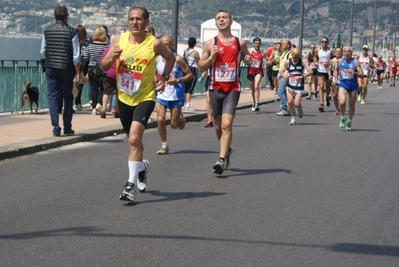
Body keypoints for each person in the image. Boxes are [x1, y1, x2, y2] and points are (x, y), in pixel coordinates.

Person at [101, 6, 175, 201]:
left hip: (145, 97)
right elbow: (103, 66)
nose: (135, 22)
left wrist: (164, 77)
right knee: (133, 141)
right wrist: (111, 57)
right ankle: (142, 167)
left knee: (134, 139)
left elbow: (171, 58)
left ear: (146, 22)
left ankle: (130, 186)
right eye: (131, 19)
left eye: (139, 19)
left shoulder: (155, 43)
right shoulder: (119, 40)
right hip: (124, 98)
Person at [198, 9, 252, 175]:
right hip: (215, 88)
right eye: (218, 18)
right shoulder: (209, 43)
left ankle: (221, 160)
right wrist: (212, 57)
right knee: (218, 126)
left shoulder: (239, 43)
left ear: (230, 21)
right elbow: (201, 66)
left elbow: (247, 57)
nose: (221, 20)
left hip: (232, 89)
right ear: (216, 23)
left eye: (224, 18)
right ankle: (227, 149)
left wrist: (248, 59)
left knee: (227, 124)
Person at [40, 6, 80, 137]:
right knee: (68, 97)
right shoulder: (72, 32)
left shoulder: (47, 30)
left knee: (52, 97)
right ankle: (67, 127)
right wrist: (78, 73)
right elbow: (76, 56)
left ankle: (55, 128)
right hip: (66, 68)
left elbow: (43, 51)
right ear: (67, 16)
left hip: (51, 67)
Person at [155, 35, 193, 155]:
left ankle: (180, 118)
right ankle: (164, 145)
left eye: (167, 44)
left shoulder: (178, 59)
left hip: (175, 94)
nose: (165, 47)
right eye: (163, 44)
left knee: (174, 125)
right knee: (160, 119)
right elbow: (152, 71)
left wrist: (176, 80)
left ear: (172, 45)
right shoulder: (157, 58)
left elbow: (190, 75)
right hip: (161, 93)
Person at [279, 47, 313, 125]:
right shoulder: (288, 62)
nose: (295, 59)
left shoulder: (302, 62)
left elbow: (310, 71)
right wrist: (284, 76)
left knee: (297, 103)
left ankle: (299, 108)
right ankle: (292, 118)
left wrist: (302, 76)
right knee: (290, 102)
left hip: (299, 85)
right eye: (294, 57)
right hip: (290, 84)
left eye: (297, 57)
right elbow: (281, 71)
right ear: (291, 55)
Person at [334, 46, 364, 131]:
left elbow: (362, 75)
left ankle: (350, 121)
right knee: (342, 101)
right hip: (343, 83)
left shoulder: (355, 62)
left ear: (351, 53)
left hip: (353, 85)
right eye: (345, 51)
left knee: (351, 105)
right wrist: (336, 78)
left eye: (348, 52)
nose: (346, 53)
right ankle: (343, 117)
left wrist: (355, 73)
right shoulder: (339, 61)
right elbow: (336, 70)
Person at [83, 26, 109, 115]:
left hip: (91, 69)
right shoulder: (107, 46)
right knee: (103, 88)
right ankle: (99, 103)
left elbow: (85, 57)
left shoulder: (90, 46)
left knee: (93, 89)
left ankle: (94, 107)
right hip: (103, 69)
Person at [99, 45, 118, 119]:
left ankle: (103, 109)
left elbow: (102, 61)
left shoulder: (107, 50)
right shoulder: (119, 51)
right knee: (117, 92)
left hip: (107, 73)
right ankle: (117, 111)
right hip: (117, 73)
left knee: (106, 91)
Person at [314, 37, 332, 112]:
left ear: (328, 42)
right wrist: (315, 62)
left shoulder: (330, 50)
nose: (324, 43)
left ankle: (327, 96)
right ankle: (321, 104)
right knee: (321, 86)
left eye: (325, 41)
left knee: (328, 87)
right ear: (321, 42)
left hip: (328, 71)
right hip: (320, 70)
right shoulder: (318, 50)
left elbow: (334, 59)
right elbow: (315, 57)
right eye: (322, 41)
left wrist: (329, 64)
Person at [74, 25, 90, 111]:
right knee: (80, 85)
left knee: (75, 85)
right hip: (83, 66)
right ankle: (77, 102)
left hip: (75, 65)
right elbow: (86, 56)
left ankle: (77, 102)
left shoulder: (75, 43)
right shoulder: (86, 43)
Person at [183, 37, 200, 111]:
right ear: (194, 44)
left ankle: (184, 104)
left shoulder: (185, 51)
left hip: (186, 70)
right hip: (193, 70)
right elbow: (198, 62)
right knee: (190, 87)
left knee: (185, 87)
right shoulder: (195, 52)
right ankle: (187, 104)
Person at [247, 37, 264, 112]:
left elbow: (268, 59)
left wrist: (267, 63)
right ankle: (254, 102)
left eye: (258, 43)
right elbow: (245, 58)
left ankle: (257, 104)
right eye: (256, 43)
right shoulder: (250, 51)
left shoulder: (262, 52)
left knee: (256, 87)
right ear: (253, 44)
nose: (257, 45)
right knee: (253, 89)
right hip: (250, 71)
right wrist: (248, 60)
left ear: (260, 44)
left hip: (258, 71)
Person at [275, 39, 292, 116]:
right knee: (286, 93)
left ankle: (284, 109)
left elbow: (291, 65)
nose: (282, 45)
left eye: (284, 43)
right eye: (282, 43)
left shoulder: (289, 54)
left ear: (288, 45)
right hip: (281, 76)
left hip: (285, 76)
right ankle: (291, 109)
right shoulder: (283, 54)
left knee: (281, 92)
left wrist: (287, 74)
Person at [328, 47, 342, 115]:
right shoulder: (332, 61)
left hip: (343, 79)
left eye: (339, 51)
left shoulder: (344, 60)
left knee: (341, 95)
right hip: (334, 78)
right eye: (337, 51)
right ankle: (337, 109)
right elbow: (329, 69)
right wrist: (329, 75)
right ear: (335, 52)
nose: (338, 52)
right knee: (334, 95)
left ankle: (342, 106)